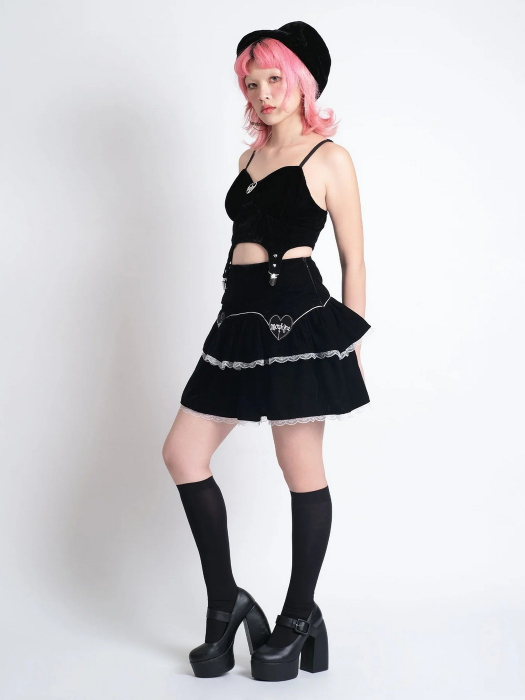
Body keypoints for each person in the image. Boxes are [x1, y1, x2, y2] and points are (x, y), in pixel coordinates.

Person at [162, 21, 373, 683]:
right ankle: (225, 604)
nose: (262, 94)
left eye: (274, 79)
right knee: (182, 454)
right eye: (251, 84)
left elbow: (354, 259)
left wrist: (350, 340)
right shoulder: (247, 162)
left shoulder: (328, 158)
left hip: (298, 317)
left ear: (301, 81)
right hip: (239, 317)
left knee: (298, 467)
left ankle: (299, 615)